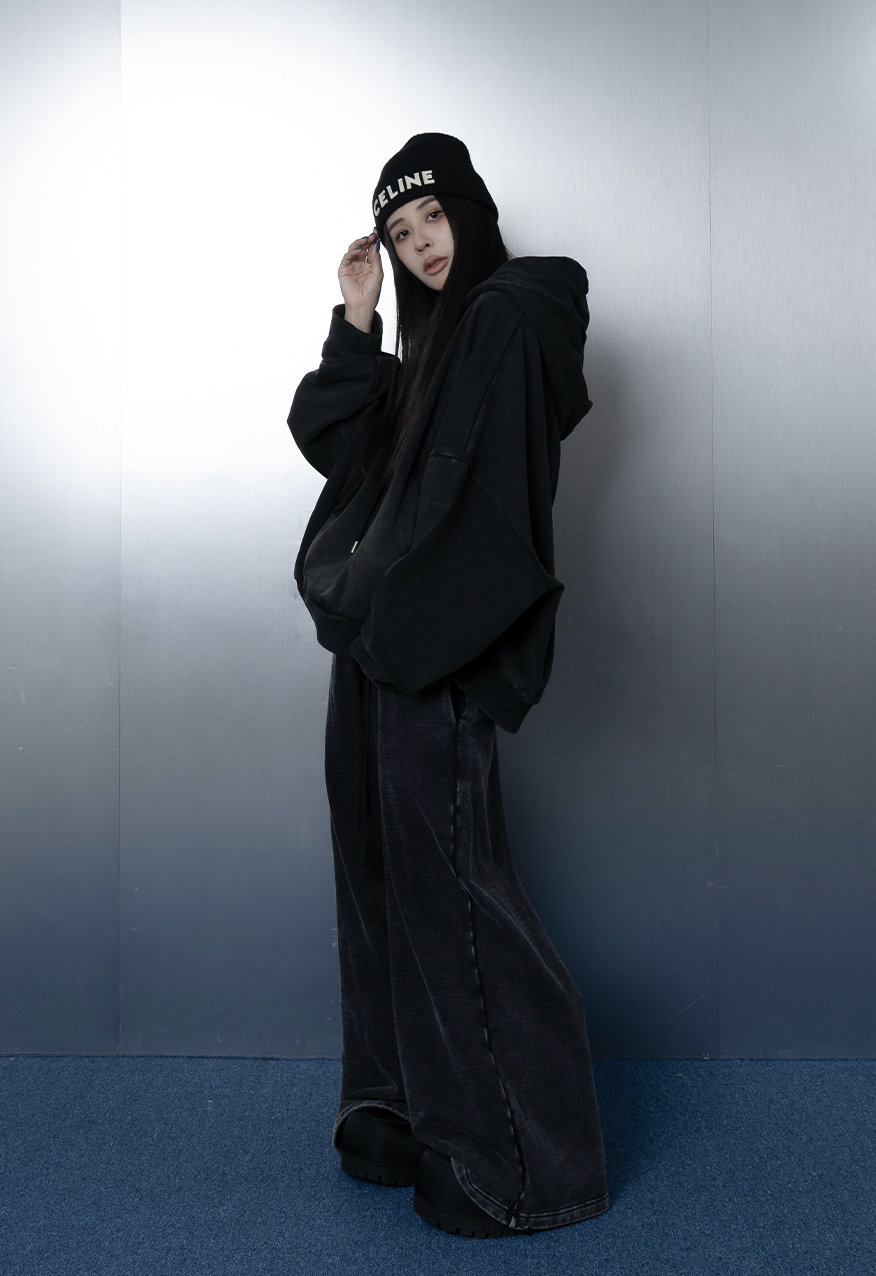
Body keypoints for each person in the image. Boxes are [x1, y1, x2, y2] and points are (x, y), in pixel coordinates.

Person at [287, 133, 609, 1239]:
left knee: (453, 887)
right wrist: (358, 321)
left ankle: (522, 1161)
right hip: (382, 640)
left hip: (441, 637)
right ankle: (397, 1103)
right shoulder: (430, 351)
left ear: (470, 211)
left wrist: (409, 625)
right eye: (400, 231)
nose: (421, 243)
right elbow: (342, 446)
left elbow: (479, 501)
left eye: (433, 218)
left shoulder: (510, 314)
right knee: (374, 866)